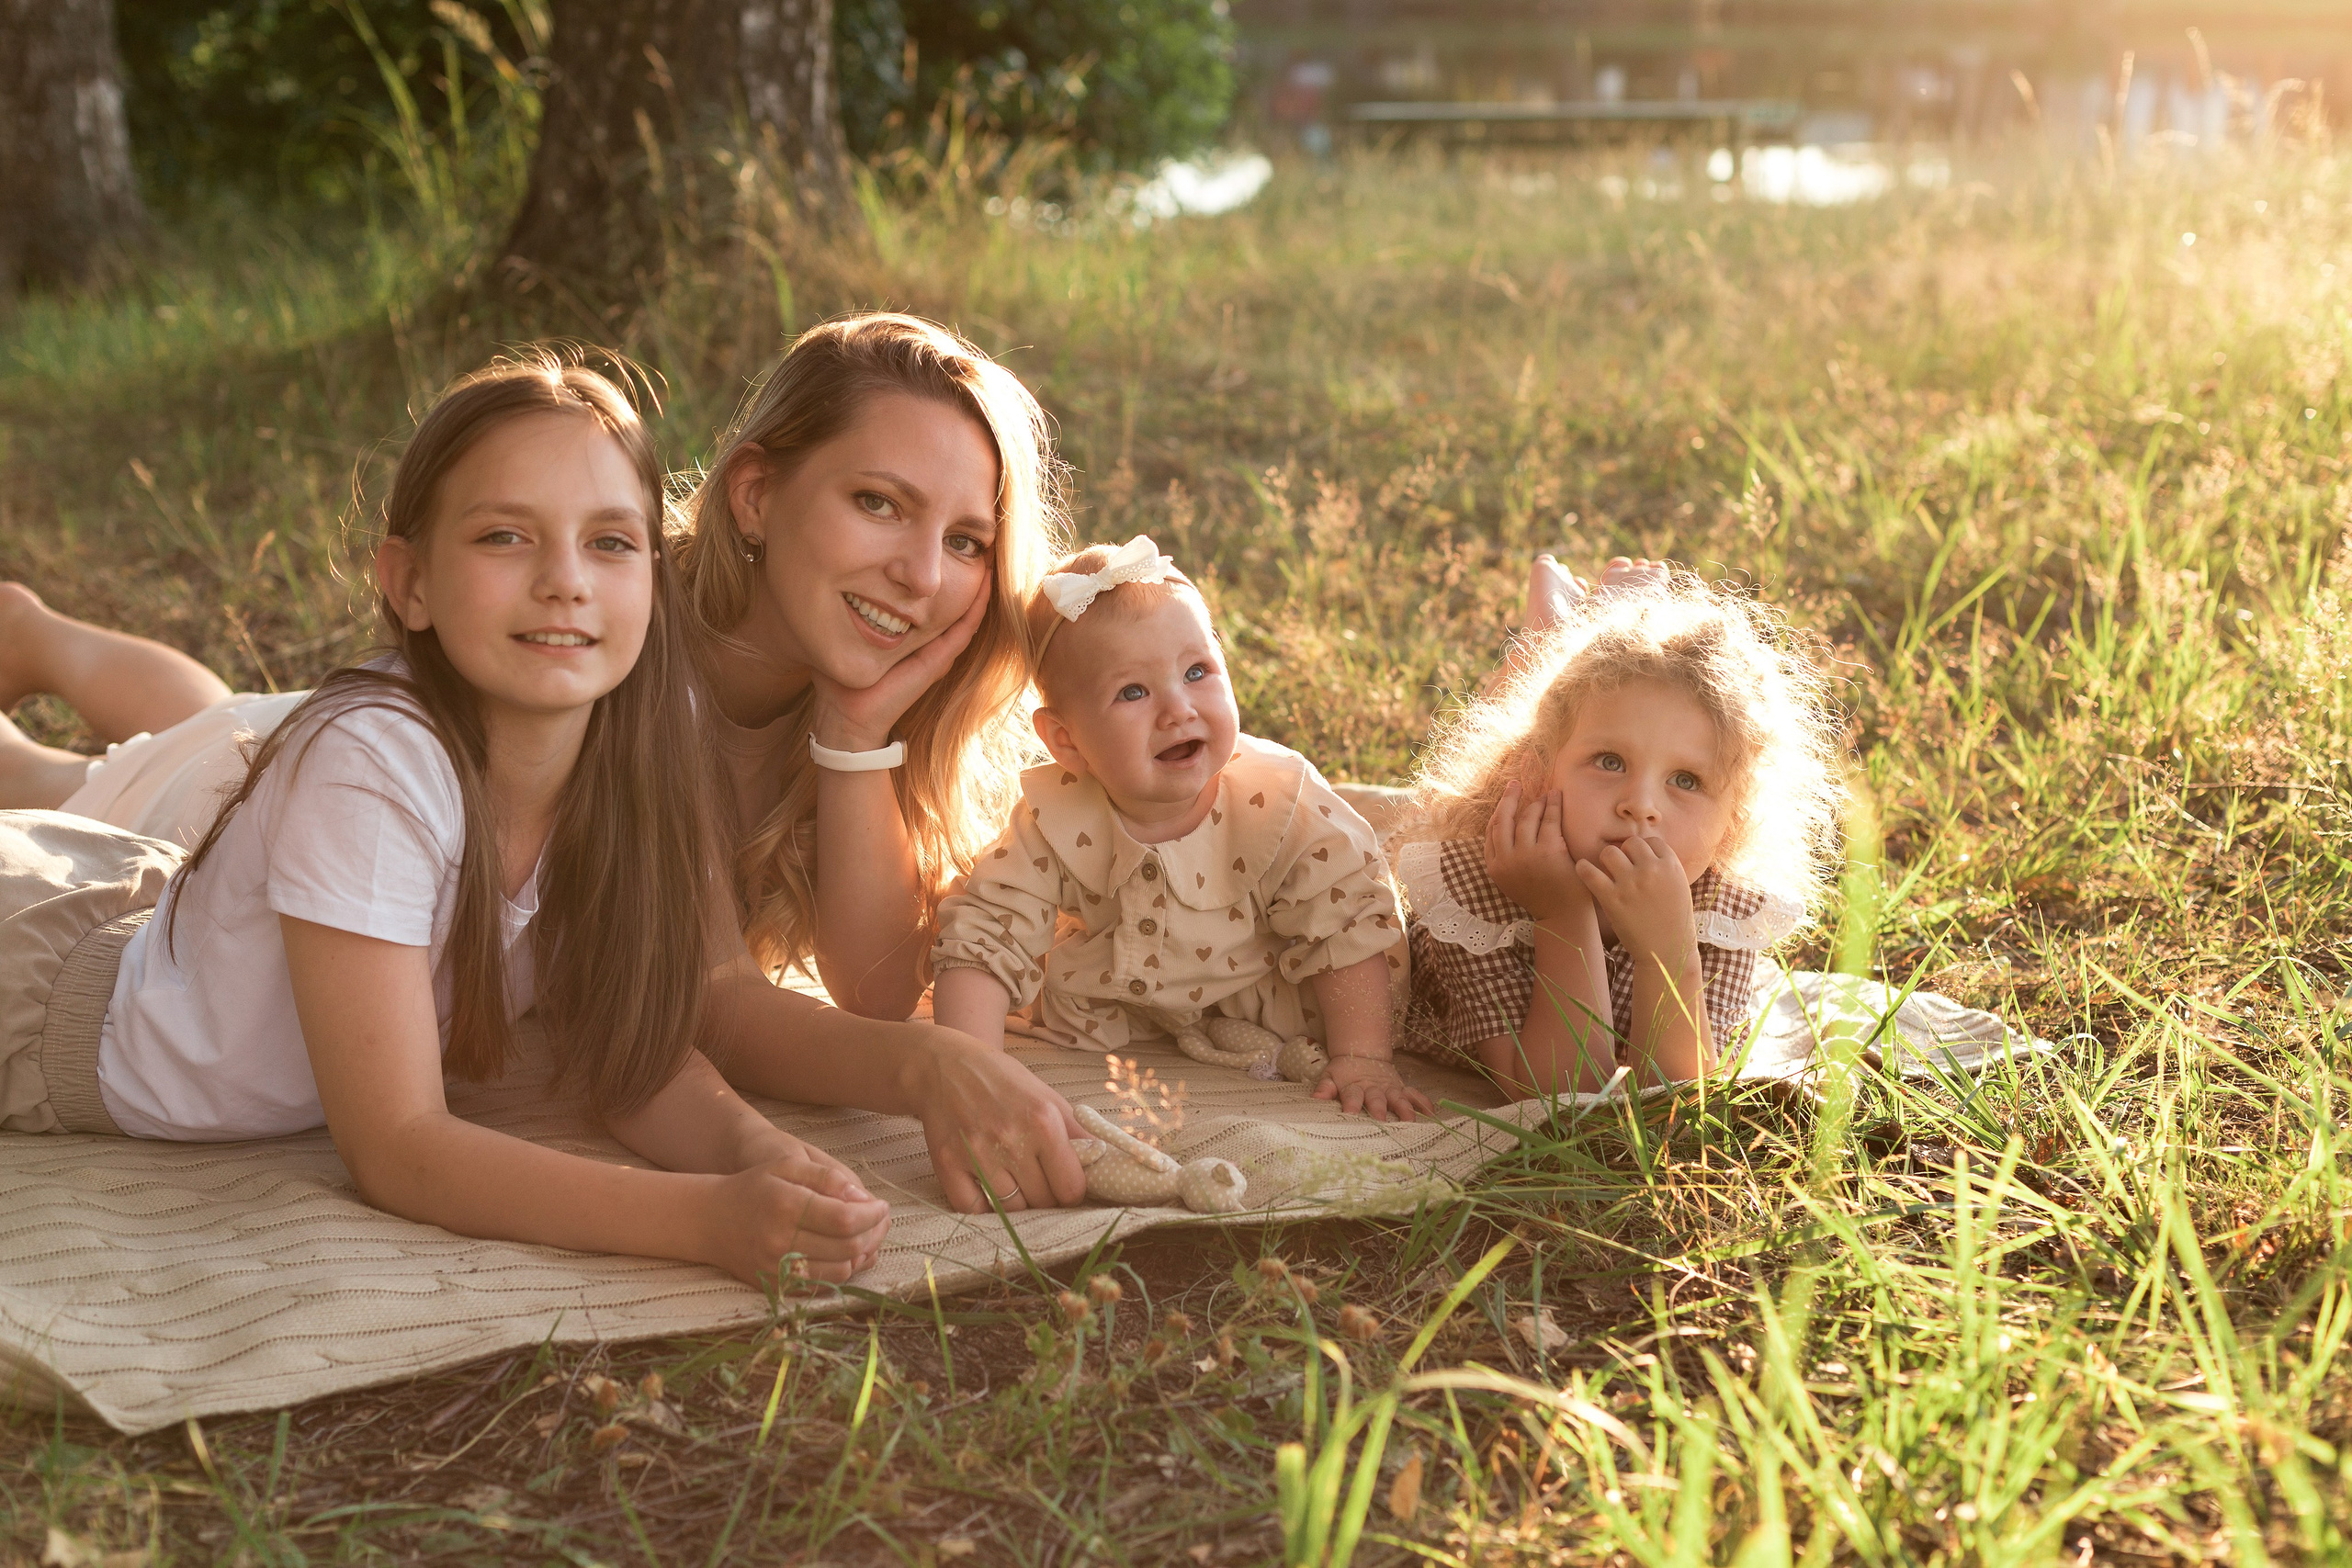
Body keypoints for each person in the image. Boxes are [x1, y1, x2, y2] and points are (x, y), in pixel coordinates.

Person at [0, 315, 1094, 1214]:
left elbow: (857, 990)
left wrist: (855, 743)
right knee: (104, 783)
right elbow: (707, 999)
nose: (920, 573)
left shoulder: (853, 687)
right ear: (756, 495)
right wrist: (906, 1079)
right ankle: (39, 665)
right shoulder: (597, 651)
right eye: (878, 503)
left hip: (332, 845)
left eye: (966, 541)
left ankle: (40, 644)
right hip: (248, 833)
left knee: (187, 737)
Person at [928, 538, 1434, 1122]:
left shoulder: (1278, 805)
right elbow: (988, 937)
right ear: (1065, 740)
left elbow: (1346, 921)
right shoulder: (1056, 819)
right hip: (1127, 1003)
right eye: (1133, 692)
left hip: (1272, 993)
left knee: (1351, 894)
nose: (1178, 709)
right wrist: (971, 1071)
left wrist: (1364, 1058)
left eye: (1197, 672)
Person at [1395, 565, 1847, 1096]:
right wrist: (1560, 912)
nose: (1641, 806)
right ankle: (1541, 644)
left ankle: (1562, 630)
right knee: (1427, 801)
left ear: (1734, 823)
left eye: (1687, 779)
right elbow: (1559, 1095)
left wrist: (1669, 950)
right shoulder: (1476, 880)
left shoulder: (1726, 909)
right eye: (1609, 762)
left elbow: (1674, 1096)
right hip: (1512, 815)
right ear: (1545, 775)